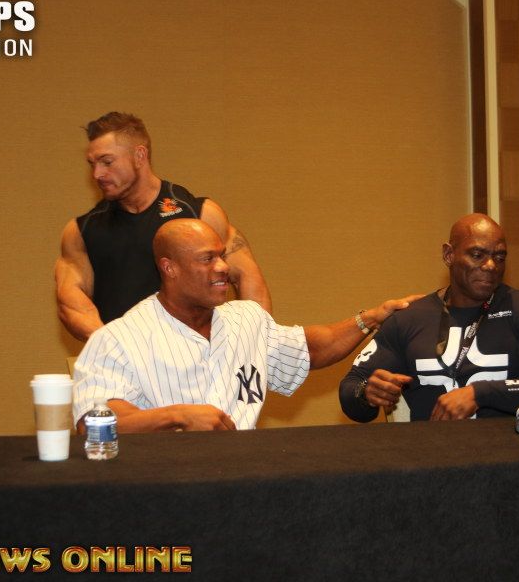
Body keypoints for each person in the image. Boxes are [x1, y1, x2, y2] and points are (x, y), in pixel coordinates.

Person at [72, 219, 418, 431]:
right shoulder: (117, 339)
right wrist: (177, 416)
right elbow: (93, 422)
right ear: (169, 268)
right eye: (207, 259)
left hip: (244, 483)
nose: (223, 267)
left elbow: (313, 347)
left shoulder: (246, 319)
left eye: (222, 255)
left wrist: (371, 318)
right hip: (164, 492)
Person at [339, 213, 519, 422]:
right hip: (432, 454)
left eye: (499, 257)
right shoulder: (410, 318)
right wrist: (367, 393)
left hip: (508, 452)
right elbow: (351, 388)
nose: (490, 265)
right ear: (448, 255)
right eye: (477, 254)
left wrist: (480, 393)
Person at [55, 111, 271, 342]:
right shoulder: (82, 232)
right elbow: (71, 302)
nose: (97, 174)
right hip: (125, 357)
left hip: (196, 356)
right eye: (92, 164)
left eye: (107, 162)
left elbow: (246, 276)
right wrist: (115, 345)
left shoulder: (199, 214)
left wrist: (251, 343)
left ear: (139, 156)